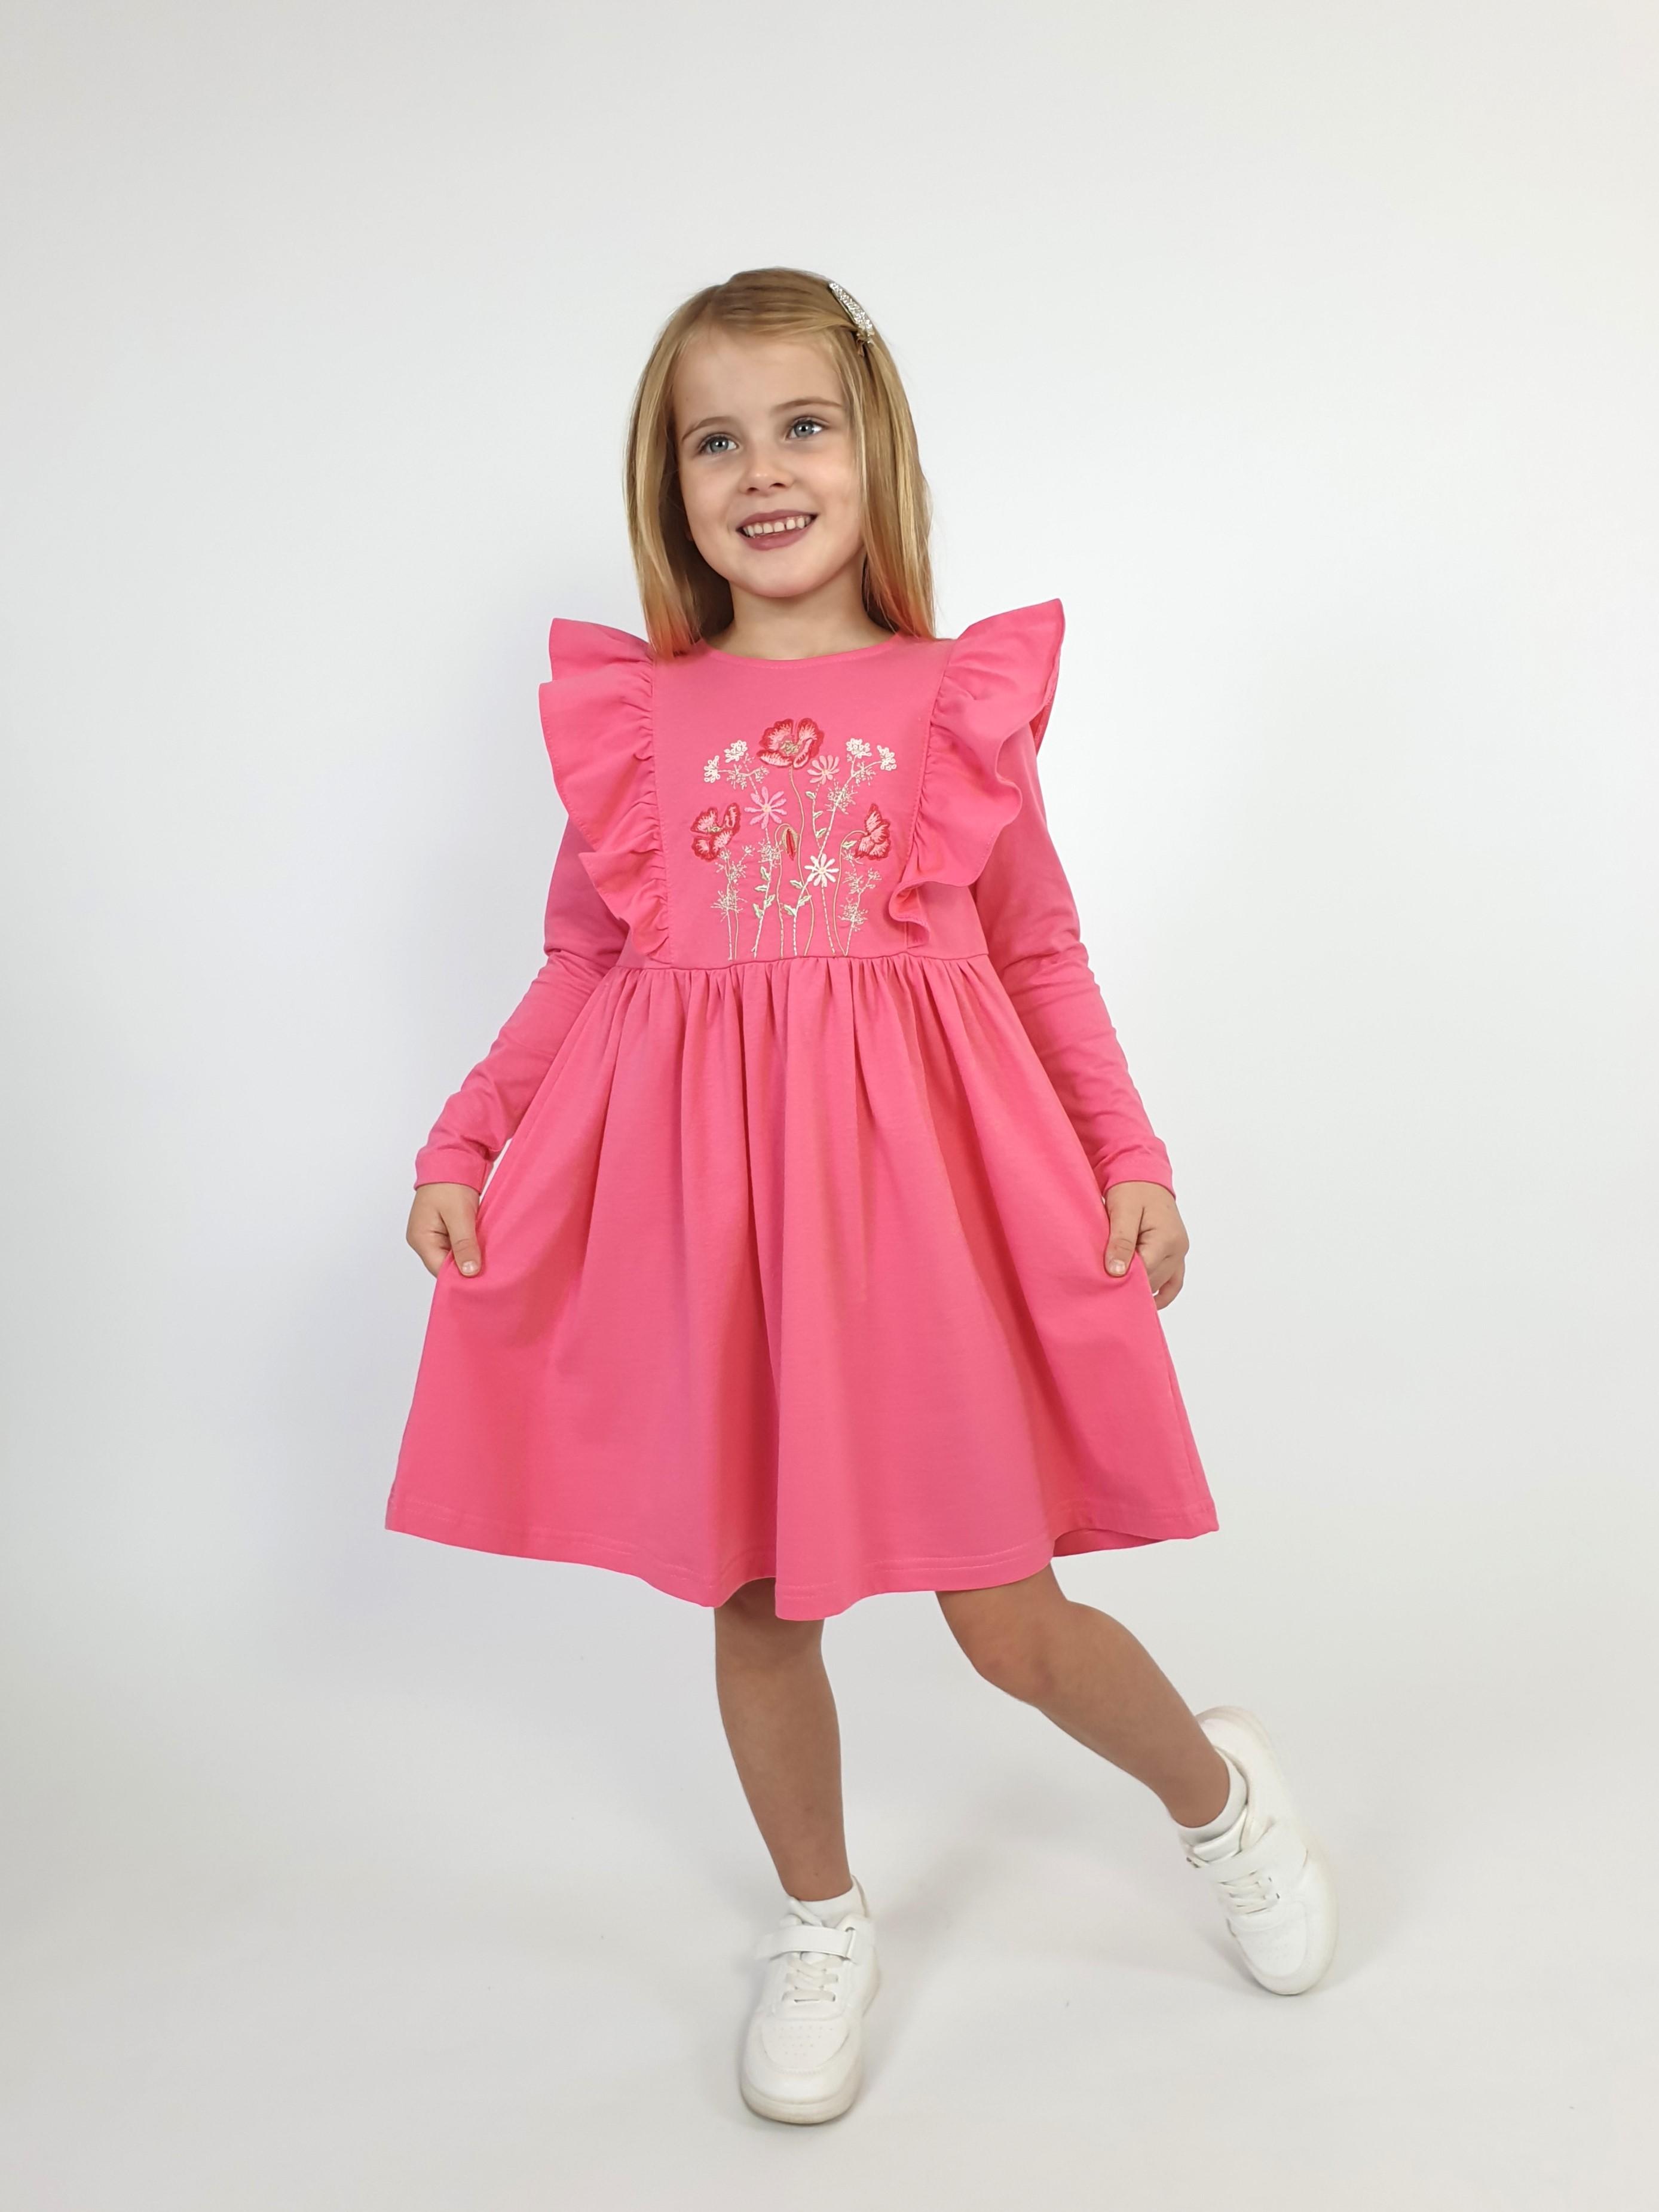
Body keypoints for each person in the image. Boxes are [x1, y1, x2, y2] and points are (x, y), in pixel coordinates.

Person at [385, 265, 1337, 2126]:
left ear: (870, 450)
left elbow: (1039, 952)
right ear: (670, 484)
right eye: (714, 441)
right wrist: (464, 1141)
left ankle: (1219, 1799)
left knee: (1005, 1613)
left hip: (920, 1225)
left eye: (800, 426)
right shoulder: (640, 720)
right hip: (719, 1229)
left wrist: (1130, 1157)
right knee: (753, 1599)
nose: (763, 470)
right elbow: (582, 963)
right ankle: (822, 1920)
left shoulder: (954, 704)